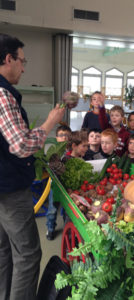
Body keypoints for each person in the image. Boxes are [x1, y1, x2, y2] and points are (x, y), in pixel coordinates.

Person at [0, 34, 65, 300]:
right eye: (22, 61)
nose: (24, 68)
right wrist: (50, 121)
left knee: (5, 250)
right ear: (8, 59)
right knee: (28, 255)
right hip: (10, 189)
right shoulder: (3, 95)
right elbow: (21, 145)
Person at [46, 124, 71, 241]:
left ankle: (68, 228)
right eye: (61, 135)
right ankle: (50, 229)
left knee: (68, 210)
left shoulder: (72, 152)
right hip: (55, 186)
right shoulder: (53, 153)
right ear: (56, 138)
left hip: (68, 186)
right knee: (52, 209)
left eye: (67, 135)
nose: (64, 137)